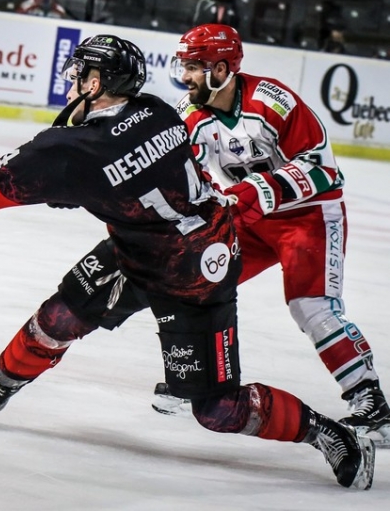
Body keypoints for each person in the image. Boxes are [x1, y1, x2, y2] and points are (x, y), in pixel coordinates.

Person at [0, 34, 375, 489]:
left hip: (189, 274)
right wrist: (78, 186)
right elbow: (126, 169)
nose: (73, 82)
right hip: (174, 247)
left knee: (215, 407)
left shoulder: (71, 150)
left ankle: (329, 432)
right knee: (61, 316)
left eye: (80, 74)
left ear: (98, 82)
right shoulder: (158, 111)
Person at [149, 24, 390, 445]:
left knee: (311, 307)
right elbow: (191, 182)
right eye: (183, 65)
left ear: (221, 69)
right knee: (197, 282)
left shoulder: (272, 101)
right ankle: (200, 379)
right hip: (253, 217)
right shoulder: (189, 116)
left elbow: (324, 170)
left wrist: (255, 191)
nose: (184, 76)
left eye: (193, 67)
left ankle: (372, 403)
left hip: (308, 215)